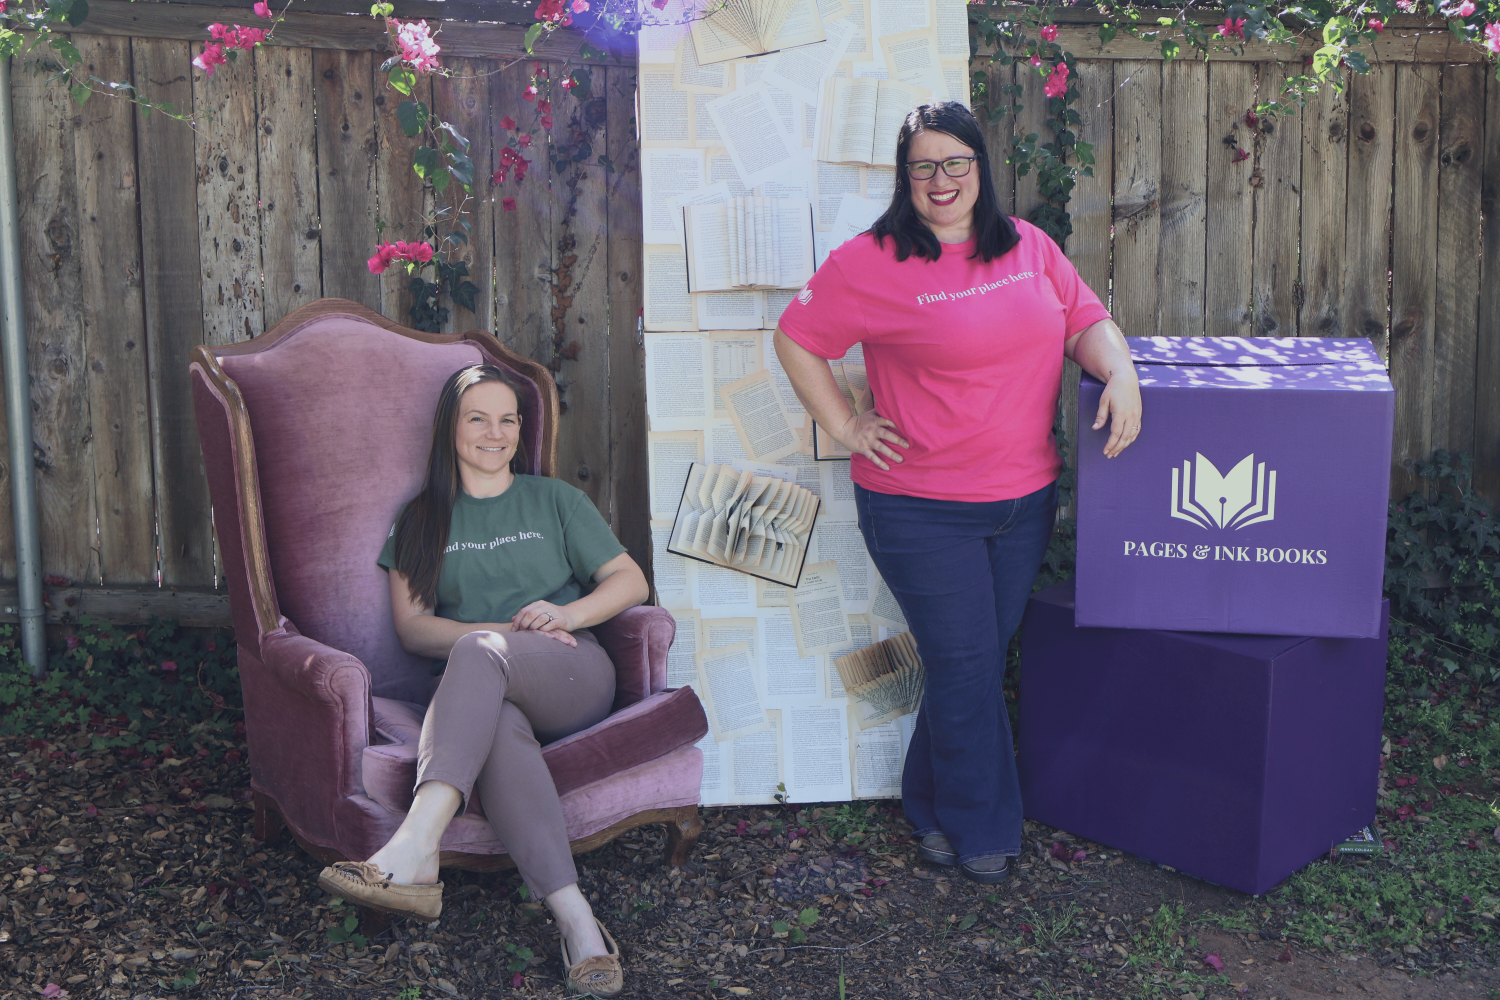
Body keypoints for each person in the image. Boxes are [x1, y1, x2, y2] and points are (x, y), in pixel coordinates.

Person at [773, 102, 1142, 884]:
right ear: (904, 177)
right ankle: (983, 830)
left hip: (1024, 502)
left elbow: (1086, 320)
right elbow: (797, 338)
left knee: (964, 664)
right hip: (919, 509)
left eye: (955, 163)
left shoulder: (1030, 247)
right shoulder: (870, 262)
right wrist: (845, 424)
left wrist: (1122, 370)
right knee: (969, 663)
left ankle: (927, 802)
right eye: (923, 166)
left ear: (980, 166)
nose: (941, 180)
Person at [316, 364, 649, 998]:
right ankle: (577, 921)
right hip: (476, 691)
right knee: (491, 709)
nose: (495, 433)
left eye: (508, 420)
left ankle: (415, 846)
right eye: (478, 418)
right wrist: (500, 633)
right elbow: (414, 629)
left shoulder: (555, 500)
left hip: (568, 669)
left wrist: (566, 616)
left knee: (478, 652)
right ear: (451, 427)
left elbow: (630, 581)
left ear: (521, 430)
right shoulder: (422, 519)